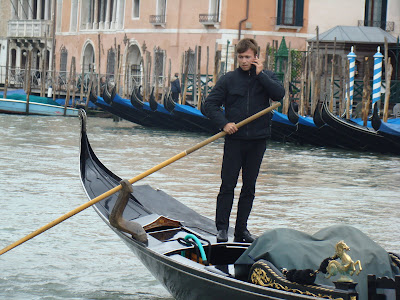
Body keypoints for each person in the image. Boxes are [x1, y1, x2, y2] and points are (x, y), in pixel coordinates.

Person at [204, 38, 285, 243]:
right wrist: (224, 124)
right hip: (235, 139)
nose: (244, 61)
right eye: (240, 57)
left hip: (258, 140)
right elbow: (210, 105)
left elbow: (279, 95)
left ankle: (241, 230)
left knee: (249, 187)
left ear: (256, 57)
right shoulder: (228, 79)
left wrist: (261, 75)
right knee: (227, 185)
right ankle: (222, 229)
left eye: (247, 57)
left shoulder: (267, 77)